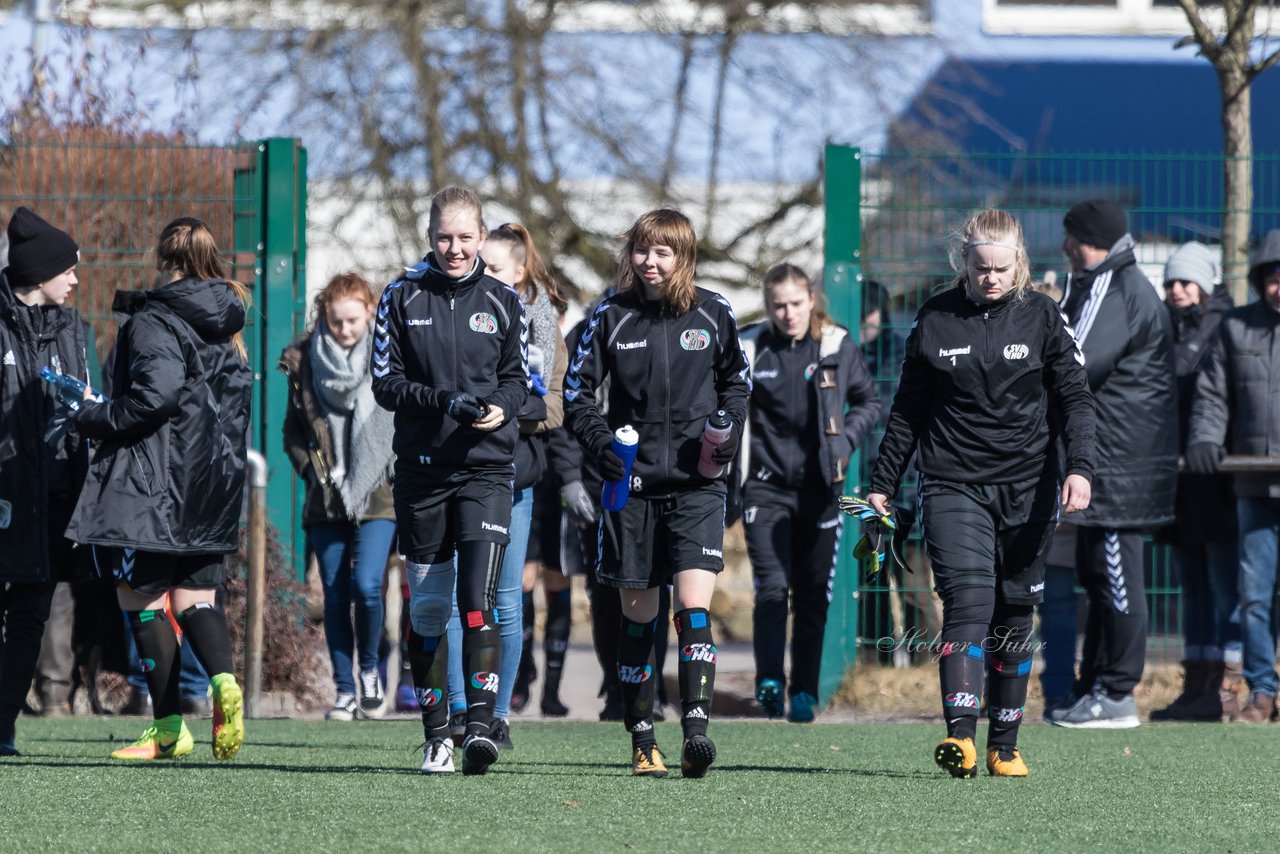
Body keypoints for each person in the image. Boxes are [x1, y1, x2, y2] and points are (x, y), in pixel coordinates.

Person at [868, 209, 1095, 778]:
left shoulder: (1044, 316)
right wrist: (882, 485)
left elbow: (1076, 400)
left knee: (1015, 609)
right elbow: (907, 412)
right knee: (969, 601)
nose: (990, 278)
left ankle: (1005, 744)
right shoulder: (935, 318)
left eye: (1000, 268)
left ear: (1019, 262)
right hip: (953, 483)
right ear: (962, 263)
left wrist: (1081, 469)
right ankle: (961, 739)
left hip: (1030, 487)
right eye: (980, 268)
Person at [565, 208, 750, 779]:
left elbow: (737, 384)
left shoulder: (715, 312)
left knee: (695, 608)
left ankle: (696, 730)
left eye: (663, 252)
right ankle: (643, 737)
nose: (650, 262)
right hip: (632, 489)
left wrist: (723, 436)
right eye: (642, 251)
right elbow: (575, 394)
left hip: (697, 487)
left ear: (683, 257)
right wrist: (603, 447)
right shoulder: (610, 315)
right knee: (638, 618)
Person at [65, 217, 252, 761]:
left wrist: (95, 416)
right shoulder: (228, 316)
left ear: (163, 261)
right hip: (213, 482)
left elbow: (156, 397)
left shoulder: (155, 318)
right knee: (197, 597)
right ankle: (222, 681)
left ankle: (169, 727)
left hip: (156, 483)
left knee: (139, 597)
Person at [371, 186, 529, 776]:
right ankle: (437, 733)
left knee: (477, 601)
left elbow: (520, 381)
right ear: (429, 236)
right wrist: (444, 401)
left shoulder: (506, 301)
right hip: (422, 473)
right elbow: (384, 384)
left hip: (487, 470)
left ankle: (482, 727)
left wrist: (501, 408)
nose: (455, 248)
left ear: (483, 238)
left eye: (466, 237)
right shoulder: (399, 295)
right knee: (430, 608)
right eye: (444, 237)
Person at [1048, 199, 1177, 729]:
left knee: (1118, 577)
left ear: (1089, 239)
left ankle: (1118, 692)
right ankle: (1096, 687)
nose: (1063, 246)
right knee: (1101, 576)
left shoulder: (1115, 288)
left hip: (1119, 465)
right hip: (1114, 461)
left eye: (1069, 236)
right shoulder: (1104, 285)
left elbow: (1074, 358)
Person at [442, 222, 566, 749]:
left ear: (519, 273)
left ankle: (496, 715)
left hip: (513, 474)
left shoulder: (544, 326)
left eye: (494, 269)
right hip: (450, 470)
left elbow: (556, 405)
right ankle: (454, 709)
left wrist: (508, 410)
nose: (481, 273)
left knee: (507, 600)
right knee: (451, 597)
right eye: (479, 264)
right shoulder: (444, 310)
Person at [737, 263, 879, 722]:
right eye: (778, 305)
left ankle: (804, 691)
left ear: (811, 301)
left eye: (796, 303)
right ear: (768, 306)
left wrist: (845, 440)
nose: (788, 313)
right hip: (764, 488)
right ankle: (769, 680)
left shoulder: (835, 344)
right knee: (773, 589)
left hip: (821, 489)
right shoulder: (751, 346)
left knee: (813, 593)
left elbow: (869, 401)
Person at [281, 272, 397, 721]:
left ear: (370, 313)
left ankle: (370, 669)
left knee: (368, 586)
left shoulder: (390, 357)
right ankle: (344, 690)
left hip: (379, 491)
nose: (344, 331)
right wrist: (312, 470)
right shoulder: (304, 361)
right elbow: (293, 430)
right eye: (335, 322)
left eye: (352, 321)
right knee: (333, 594)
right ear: (324, 317)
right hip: (326, 494)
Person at [0, 207, 92, 755]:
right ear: (39, 274)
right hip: (7, 491)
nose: (76, 280)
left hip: (51, 497)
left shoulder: (74, 330)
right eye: (68, 270)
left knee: (32, 611)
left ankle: (3, 725)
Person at [1188, 228, 1280, 724]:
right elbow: (1212, 396)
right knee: (1255, 596)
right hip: (1255, 484)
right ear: (1261, 280)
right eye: (1272, 277)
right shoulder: (1236, 329)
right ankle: (1262, 691)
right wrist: (1205, 439)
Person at [1150, 242, 1240, 722]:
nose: (1177, 290)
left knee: (1226, 584)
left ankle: (1229, 684)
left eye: (1186, 281)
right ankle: (1197, 683)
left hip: (1219, 479)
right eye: (1170, 282)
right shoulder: (1162, 329)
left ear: (1206, 284)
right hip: (1179, 480)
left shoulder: (1226, 327)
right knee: (1193, 586)